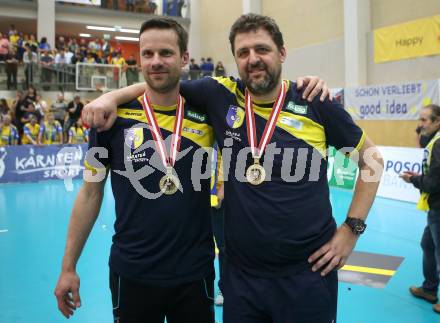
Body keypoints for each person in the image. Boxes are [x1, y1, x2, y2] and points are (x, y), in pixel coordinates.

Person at [83, 14, 383, 323]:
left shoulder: (315, 103)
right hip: (242, 281)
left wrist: (351, 229)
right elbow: (161, 80)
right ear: (236, 60)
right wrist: (111, 97)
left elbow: (371, 159)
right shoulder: (219, 95)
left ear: (282, 53)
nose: (253, 59)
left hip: (306, 275)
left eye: (262, 49)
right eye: (243, 52)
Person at [400, 104, 440, 315]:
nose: (421, 124)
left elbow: (434, 182)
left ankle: (430, 289)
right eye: (420, 119)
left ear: (437, 121)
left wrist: (412, 179)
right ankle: (429, 289)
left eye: (425, 120)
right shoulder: (434, 140)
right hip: (434, 206)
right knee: (428, 244)